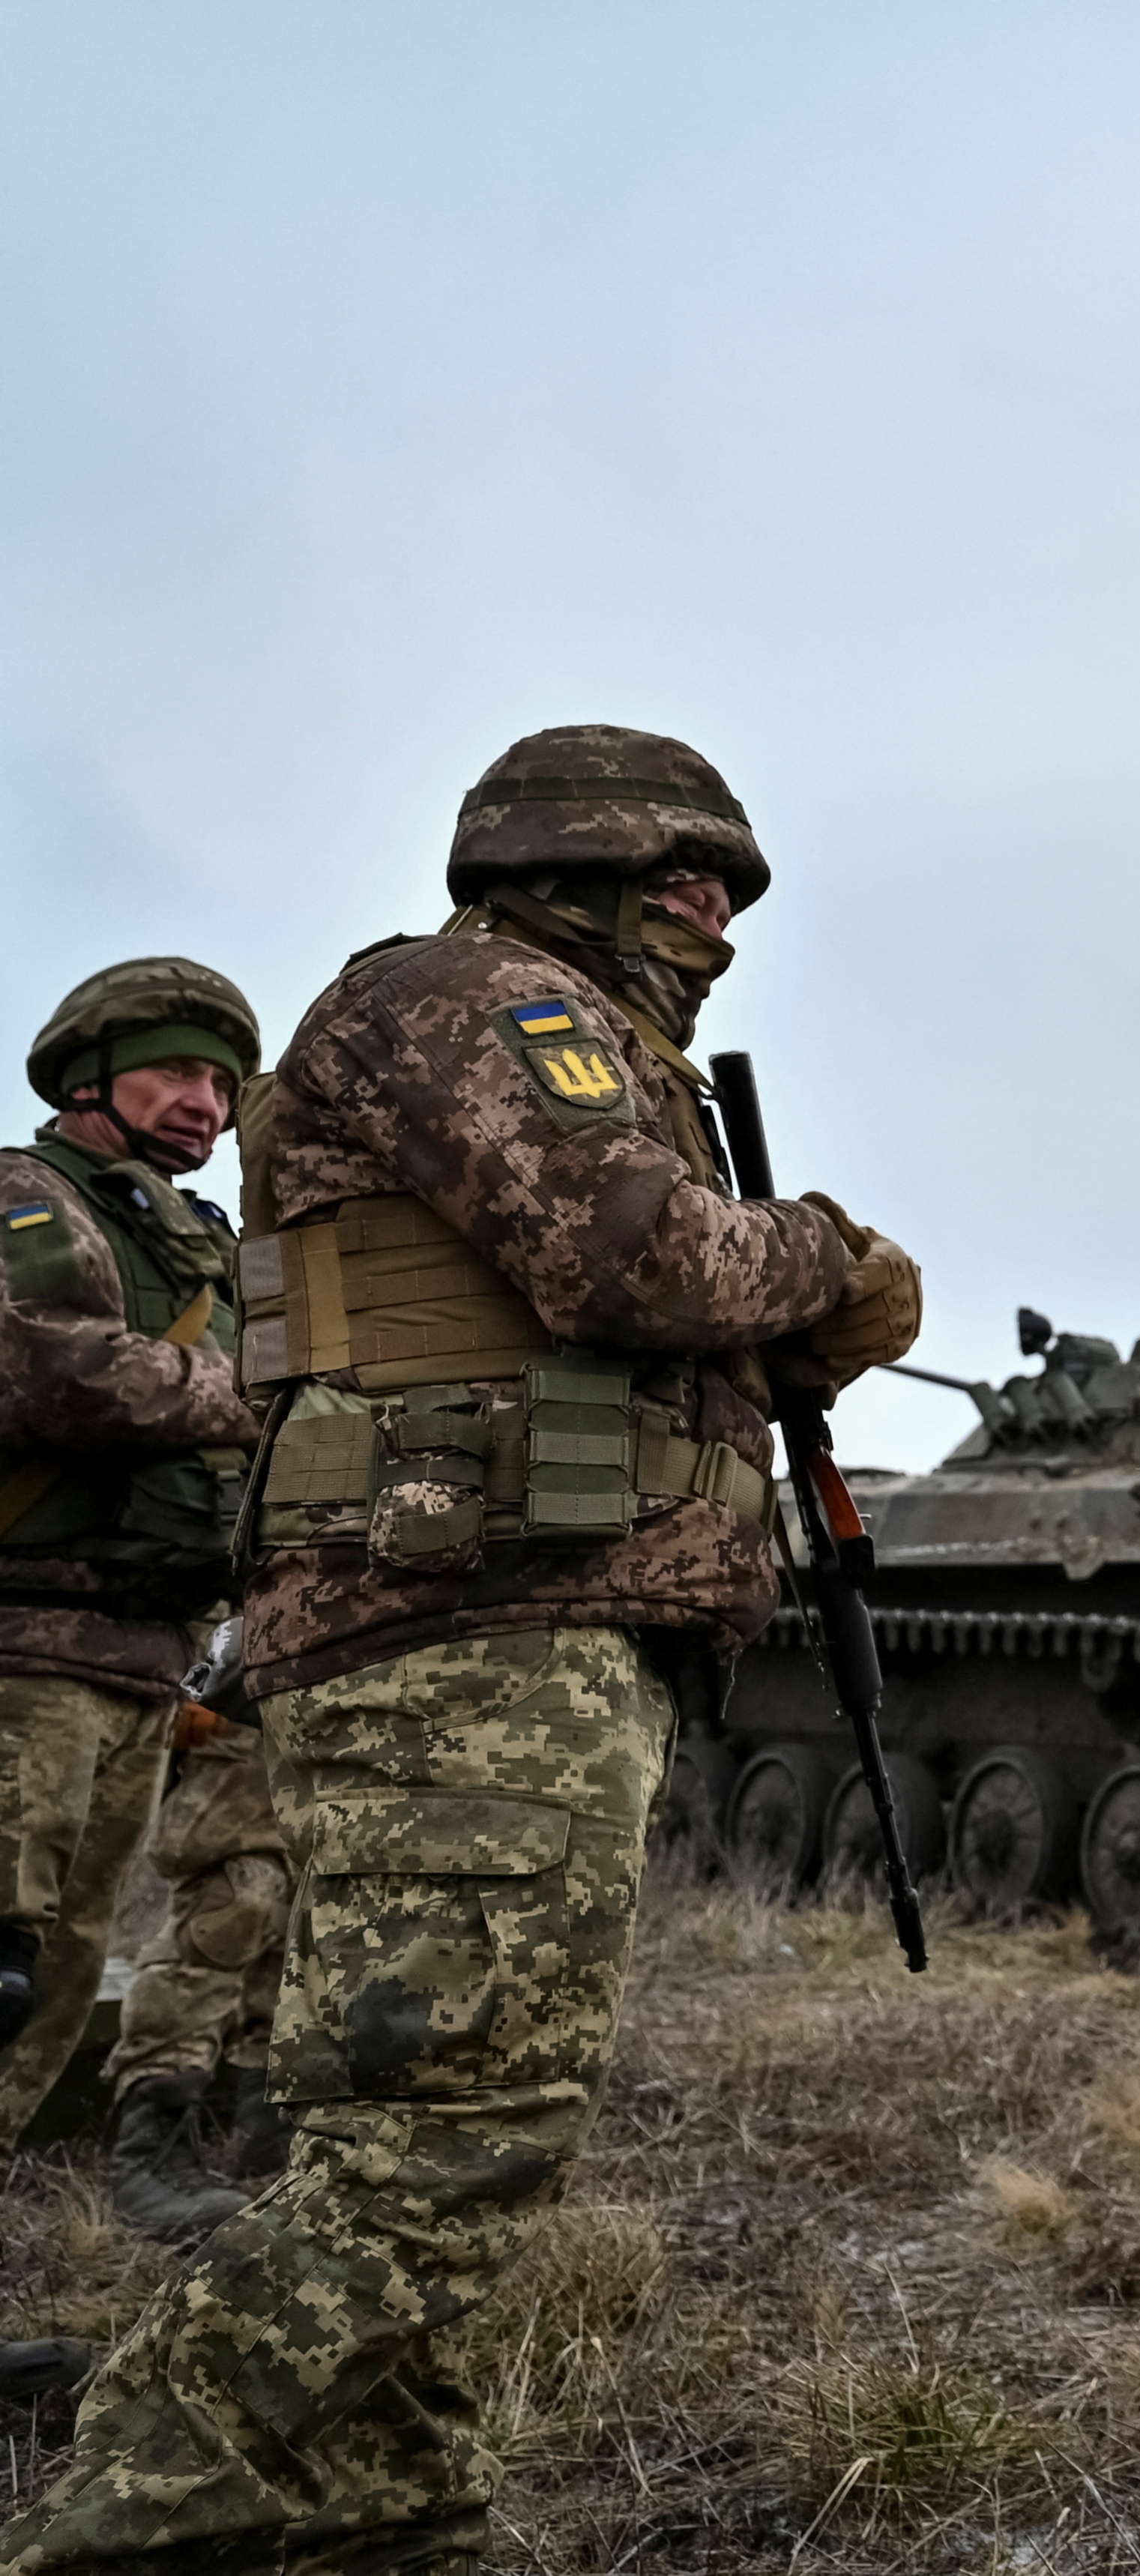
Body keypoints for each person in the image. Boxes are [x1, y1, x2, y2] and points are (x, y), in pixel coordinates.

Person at [0, 726, 923, 2575]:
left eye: (731, 882)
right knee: (442, 2137)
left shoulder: (590, 1046)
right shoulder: (478, 1000)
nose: (713, 908)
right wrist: (831, 1261)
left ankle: (379, 2514)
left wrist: (780, 1335)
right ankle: (126, 2520)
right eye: (682, 868)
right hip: (468, 1626)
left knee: (451, 2119)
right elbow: (632, 1264)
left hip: (517, 1622)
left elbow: (609, 1312)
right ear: (561, 858)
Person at [0, 957, 265, 2402]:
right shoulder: (28, 1202)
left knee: (40, 2006)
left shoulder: (194, 1245)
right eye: (176, 1073)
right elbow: (64, 1376)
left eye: (222, 1084)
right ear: (91, 1080)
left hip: (134, 1666)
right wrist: (275, 1396)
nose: (205, 1104)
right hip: (25, 1653)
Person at [97, 1620, 289, 2243]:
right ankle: (152, 2149)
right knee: (237, 1901)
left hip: (333, 1672)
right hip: (243, 1683)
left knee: (308, 1925)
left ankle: (273, 2140)